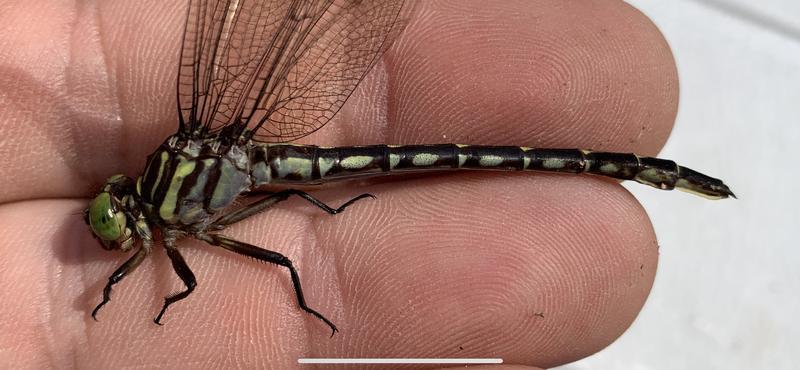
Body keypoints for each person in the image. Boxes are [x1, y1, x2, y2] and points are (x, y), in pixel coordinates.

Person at [0, 0, 677, 368]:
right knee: (293, 208)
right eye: (114, 220)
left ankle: (624, 165)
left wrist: (135, 291)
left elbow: (189, 281)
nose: (117, 226)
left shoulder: (168, 227)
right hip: (265, 173)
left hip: (267, 169)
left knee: (295, 214)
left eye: (115, 220)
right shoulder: (173, 186)